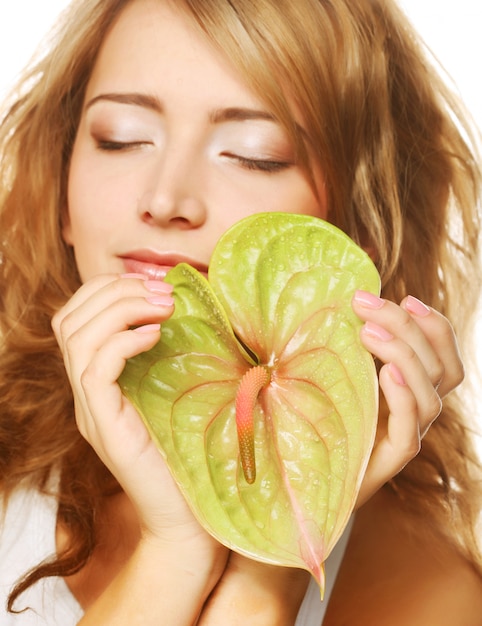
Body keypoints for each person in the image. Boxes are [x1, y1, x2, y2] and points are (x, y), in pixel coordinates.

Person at [1, 0, 481, 623]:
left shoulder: (426, 594)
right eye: (119, 139)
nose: (166, 198)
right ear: (62, 191)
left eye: (255, 154)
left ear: (350, 235)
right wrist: (176, 552)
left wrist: (266, 566)